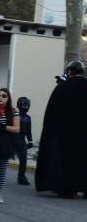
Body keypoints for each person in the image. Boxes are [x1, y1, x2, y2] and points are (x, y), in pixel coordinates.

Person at [36, 60, 87, 198]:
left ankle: (66, 188)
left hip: (64, 136)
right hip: (84, 136)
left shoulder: (62, 88)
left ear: (70, 71)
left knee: (65, 162)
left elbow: (52, 114)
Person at [15, 96, 33, 185]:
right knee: (3, 158)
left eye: (27, 105)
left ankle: (21, 176)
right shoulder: (14, 115)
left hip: (21, 139)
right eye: (25, 105)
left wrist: (30, 141)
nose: (26, 107)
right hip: (12, 138)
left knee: (23, 159)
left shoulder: (28, 118)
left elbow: (29, 131)